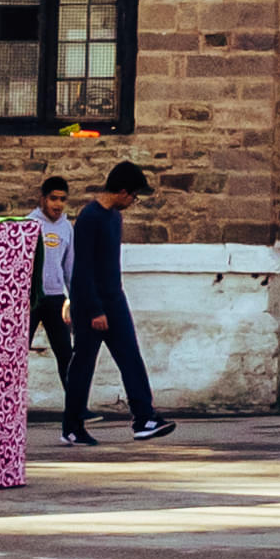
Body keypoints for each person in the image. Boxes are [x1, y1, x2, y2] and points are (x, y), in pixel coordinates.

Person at [59, 160, 177, 443]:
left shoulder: (114, 217)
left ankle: (144, 418)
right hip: (92, 304)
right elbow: (83, 268)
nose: (134, 202)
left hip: (115, 298)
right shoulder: (90, 217)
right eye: (134, 196)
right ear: (122, 191)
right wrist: (94, 309)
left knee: (130, 357)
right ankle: (72, 427)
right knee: (84, 364)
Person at [27, 177, 80, 399]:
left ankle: (76, 407)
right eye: (53, 199)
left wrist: (75, 301)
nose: (57, 204)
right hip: (30, 299)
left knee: (66, 354)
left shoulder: (66, 228)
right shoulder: (28, 224)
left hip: (57, 298)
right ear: (43, 199)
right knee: (17, 355)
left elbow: (70, 268)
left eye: (62, 200)